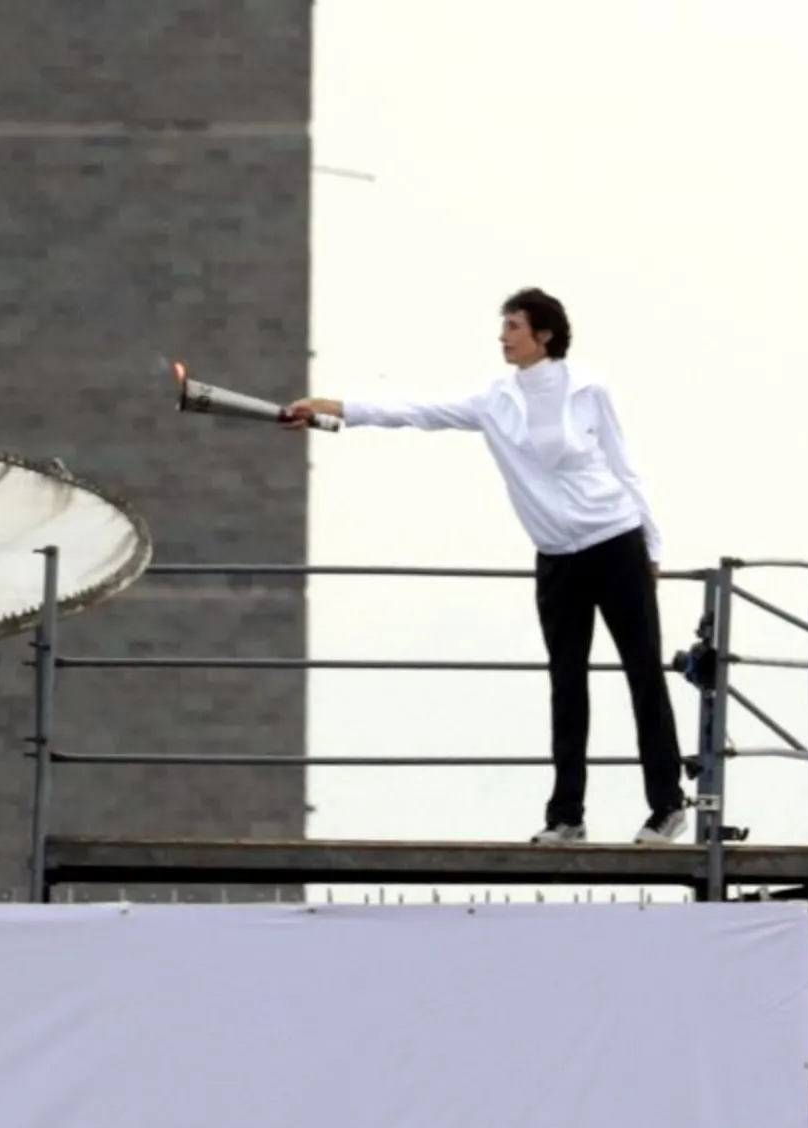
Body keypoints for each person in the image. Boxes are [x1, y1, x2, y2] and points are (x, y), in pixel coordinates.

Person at [283, 288, 689, 845]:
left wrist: (652, 545)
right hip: (556, 559)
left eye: (514, 327)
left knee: (643, 674)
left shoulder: (588, 389)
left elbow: (624, 466)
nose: (504, 337)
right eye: (504, 327)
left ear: (544, 334)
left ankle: (666, 804)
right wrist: (334, 408)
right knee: (566, 683)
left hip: (615, 541)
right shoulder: (496, 399)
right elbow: (416, 413)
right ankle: (566, 816)